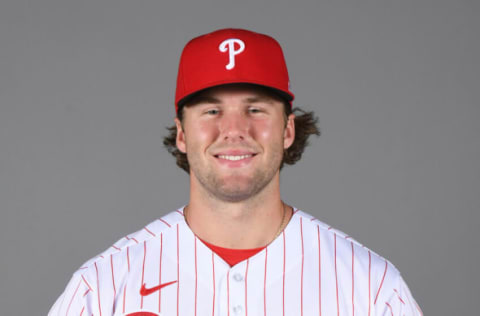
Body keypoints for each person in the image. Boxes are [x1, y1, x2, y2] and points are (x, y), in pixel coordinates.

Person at [49, 28, 422, 316]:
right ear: (181, 133)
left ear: (288, 130)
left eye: (256, 109)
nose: (234, 130)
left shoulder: (371, 289)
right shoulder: (102, 286)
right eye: (211, 111)